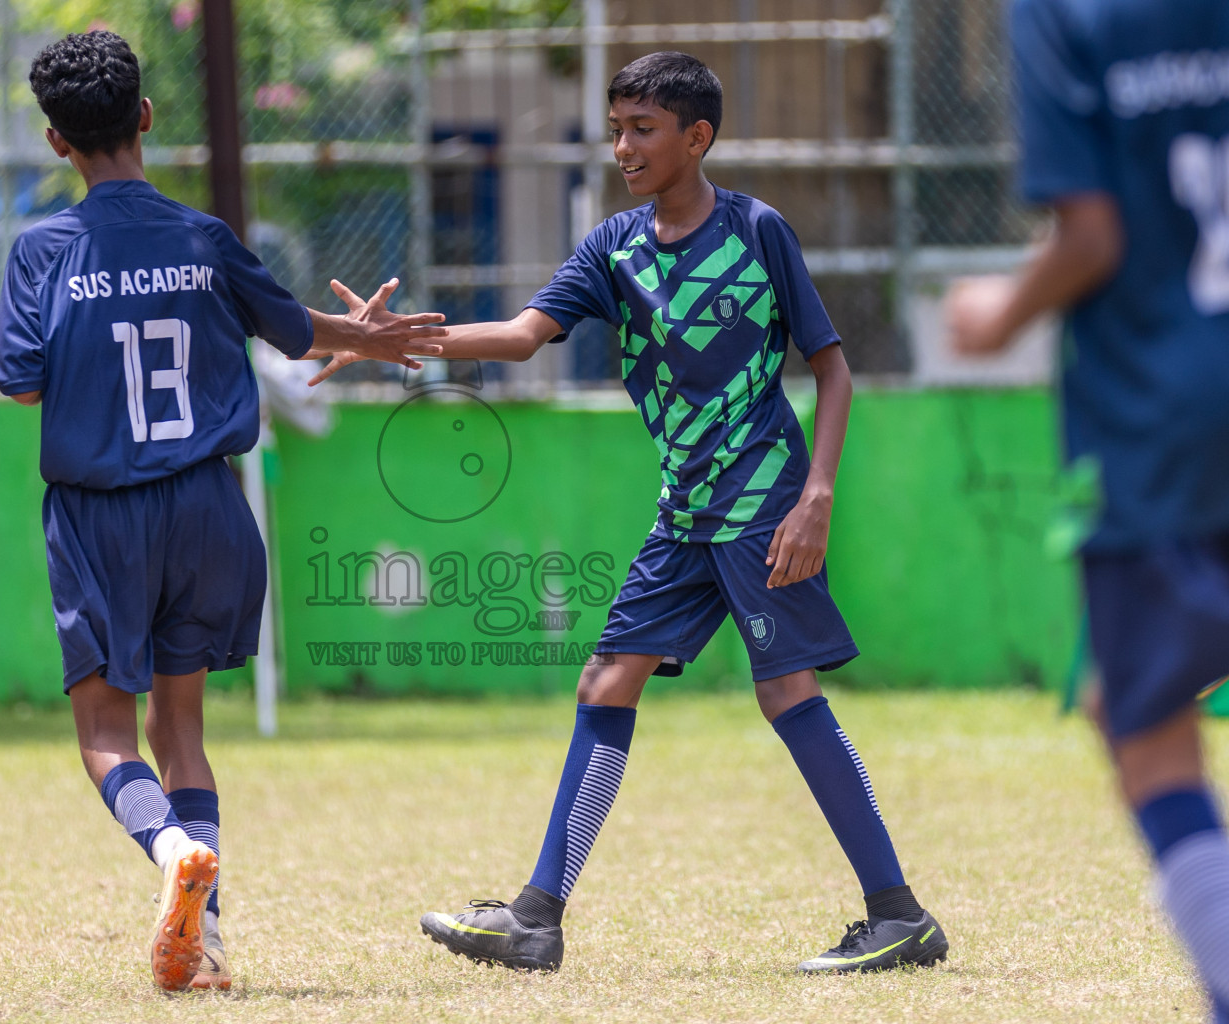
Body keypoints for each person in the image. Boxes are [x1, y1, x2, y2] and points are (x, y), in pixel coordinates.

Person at [314, 50, 946, 974]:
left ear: (698, 137)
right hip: (685, 510)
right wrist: (385, 344)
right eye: (615, 129)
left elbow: (833, 367)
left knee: (786, 691)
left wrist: (816, 497)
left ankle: (899, 915)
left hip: (762, 500)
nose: (623, 147)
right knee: (606, 684)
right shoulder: (614, 248)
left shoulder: (758, 231)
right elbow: (524, 339)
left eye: (642, 130)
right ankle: (537, 919)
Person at [0, 30, 443, 992]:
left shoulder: (43, 252)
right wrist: (360, 333)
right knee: (181, 729)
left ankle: (169, 857)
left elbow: (22, 386)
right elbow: (289, 326)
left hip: (103, 514)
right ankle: (208, 942)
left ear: (55, 141)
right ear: (145, 118)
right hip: (209, 509)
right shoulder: (204, 239)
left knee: (106, 737)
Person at [945, 1, 1229, 1018]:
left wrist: (996, 313)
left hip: (1167, 416)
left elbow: (1092, 235)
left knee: (1143, 721)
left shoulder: (1069, 13)